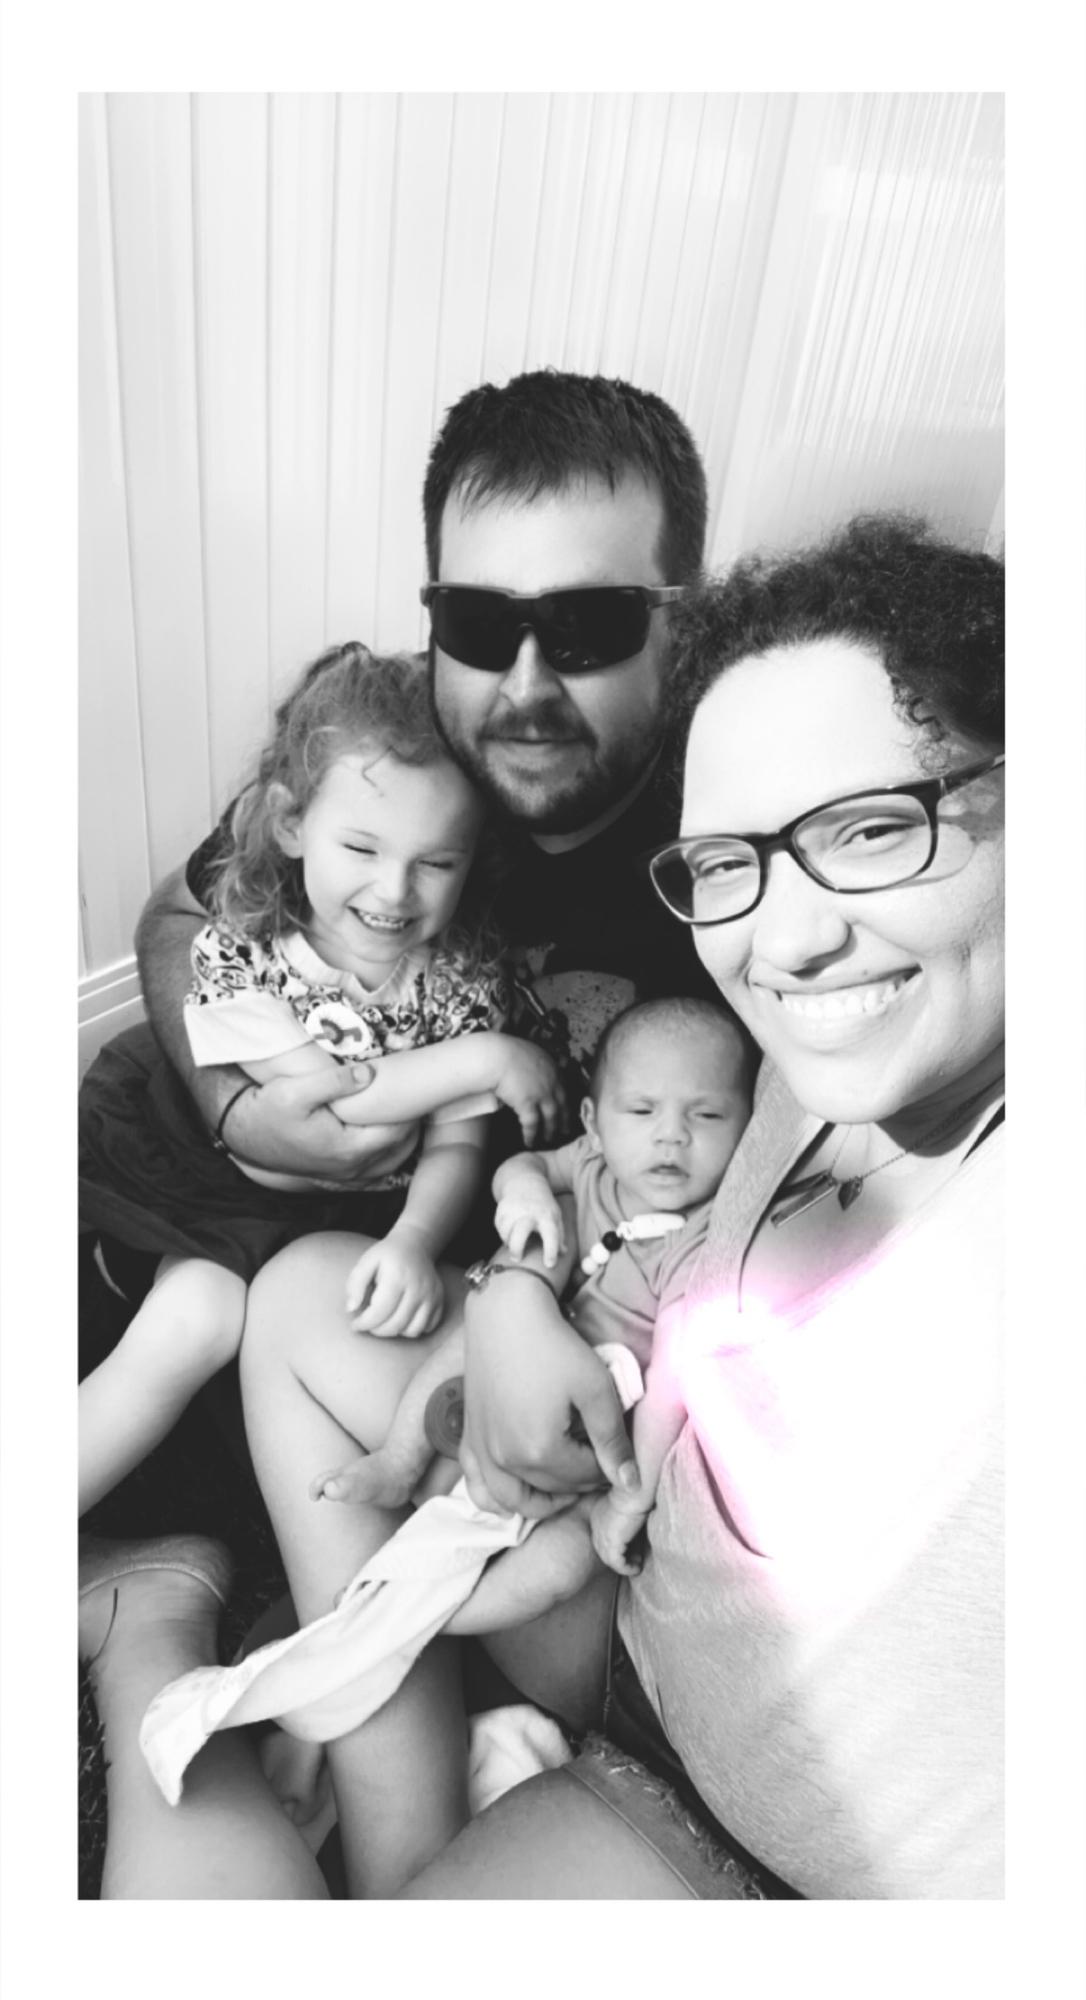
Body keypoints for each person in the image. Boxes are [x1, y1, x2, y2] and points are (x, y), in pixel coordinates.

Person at [79, 511, 1004, 1899]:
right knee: (291, 1296)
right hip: (625, 1564)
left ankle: (160, 1630)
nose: (791, 935)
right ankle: (378, 1804)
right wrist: (515, 1295)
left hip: (753, 1824)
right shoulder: (798, 1052)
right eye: (729, 861)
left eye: (875, 828)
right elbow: (200, 900)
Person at [128, 371, 716, 1201]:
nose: (524, 689)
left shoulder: (738, 822)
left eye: (586, 623)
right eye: (475, 621)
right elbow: (177, 916)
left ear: (683, 626)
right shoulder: (387, 748)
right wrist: (232, 1108)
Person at [78, 644, 562, 1515]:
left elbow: (456, 1139)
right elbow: (344, 1110)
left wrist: (414, 1240)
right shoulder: (245, 947)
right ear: (291, 824)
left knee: (324, 1318)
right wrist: (486, 1059)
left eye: (437, 862)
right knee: (196, 1317)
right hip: (214, 1181)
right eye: (361, 847)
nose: (395, 891)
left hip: (343, 1213)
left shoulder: (460, 974)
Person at [311, 996, 753, 1584]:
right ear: (593, 1122)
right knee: (465, 1341)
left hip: (595, 1431)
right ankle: (399, 1460)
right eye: (642, 1110)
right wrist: (524, 1191)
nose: (671, 1135)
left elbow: (673, 1376)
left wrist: (630, 1495)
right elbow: (526, 1166)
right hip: (514, 1355)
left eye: (709, 1115)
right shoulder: (592, 1164)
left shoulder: (703, 1236)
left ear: (750, 1128)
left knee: (561, 1566)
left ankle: (423, 1613)